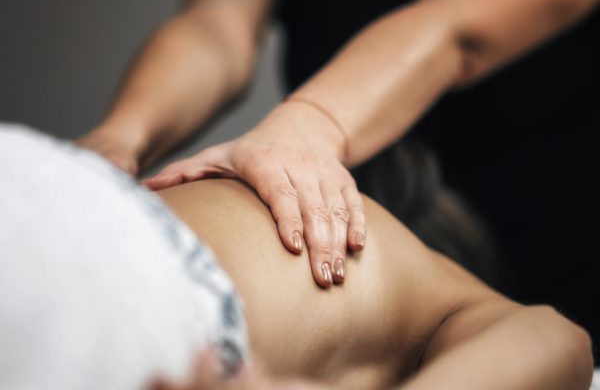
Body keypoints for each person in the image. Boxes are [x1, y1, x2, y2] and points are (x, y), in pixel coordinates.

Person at [78, 0, 600, 358]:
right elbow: (217, 25)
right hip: (362, 254)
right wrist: (122, 136)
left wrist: (306, 128)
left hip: (554, 246)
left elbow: (453, 26)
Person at [0, 124, 594, 389]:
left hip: (49, 177)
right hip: (140, 283)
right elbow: (563, 345)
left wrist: (118, 136)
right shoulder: (427, 281)